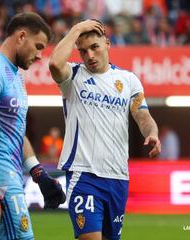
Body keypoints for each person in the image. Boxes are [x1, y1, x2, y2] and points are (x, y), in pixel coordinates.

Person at [49, 19, 161, 240]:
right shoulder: (73, 76)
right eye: (82, 51)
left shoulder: (128, 80)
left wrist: (152, 132)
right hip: (84, 175)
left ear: (108, 44)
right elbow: (53, 63)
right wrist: (77, 29)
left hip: (118, 177)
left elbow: (142, 114)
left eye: (94, 47)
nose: (89, 55)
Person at [0, 12, 66, 240]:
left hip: (7, 174)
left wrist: (38, 173)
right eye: (38, 46)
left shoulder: (16, 77)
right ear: (21, 36)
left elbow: (16, 132)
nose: (40, 55)